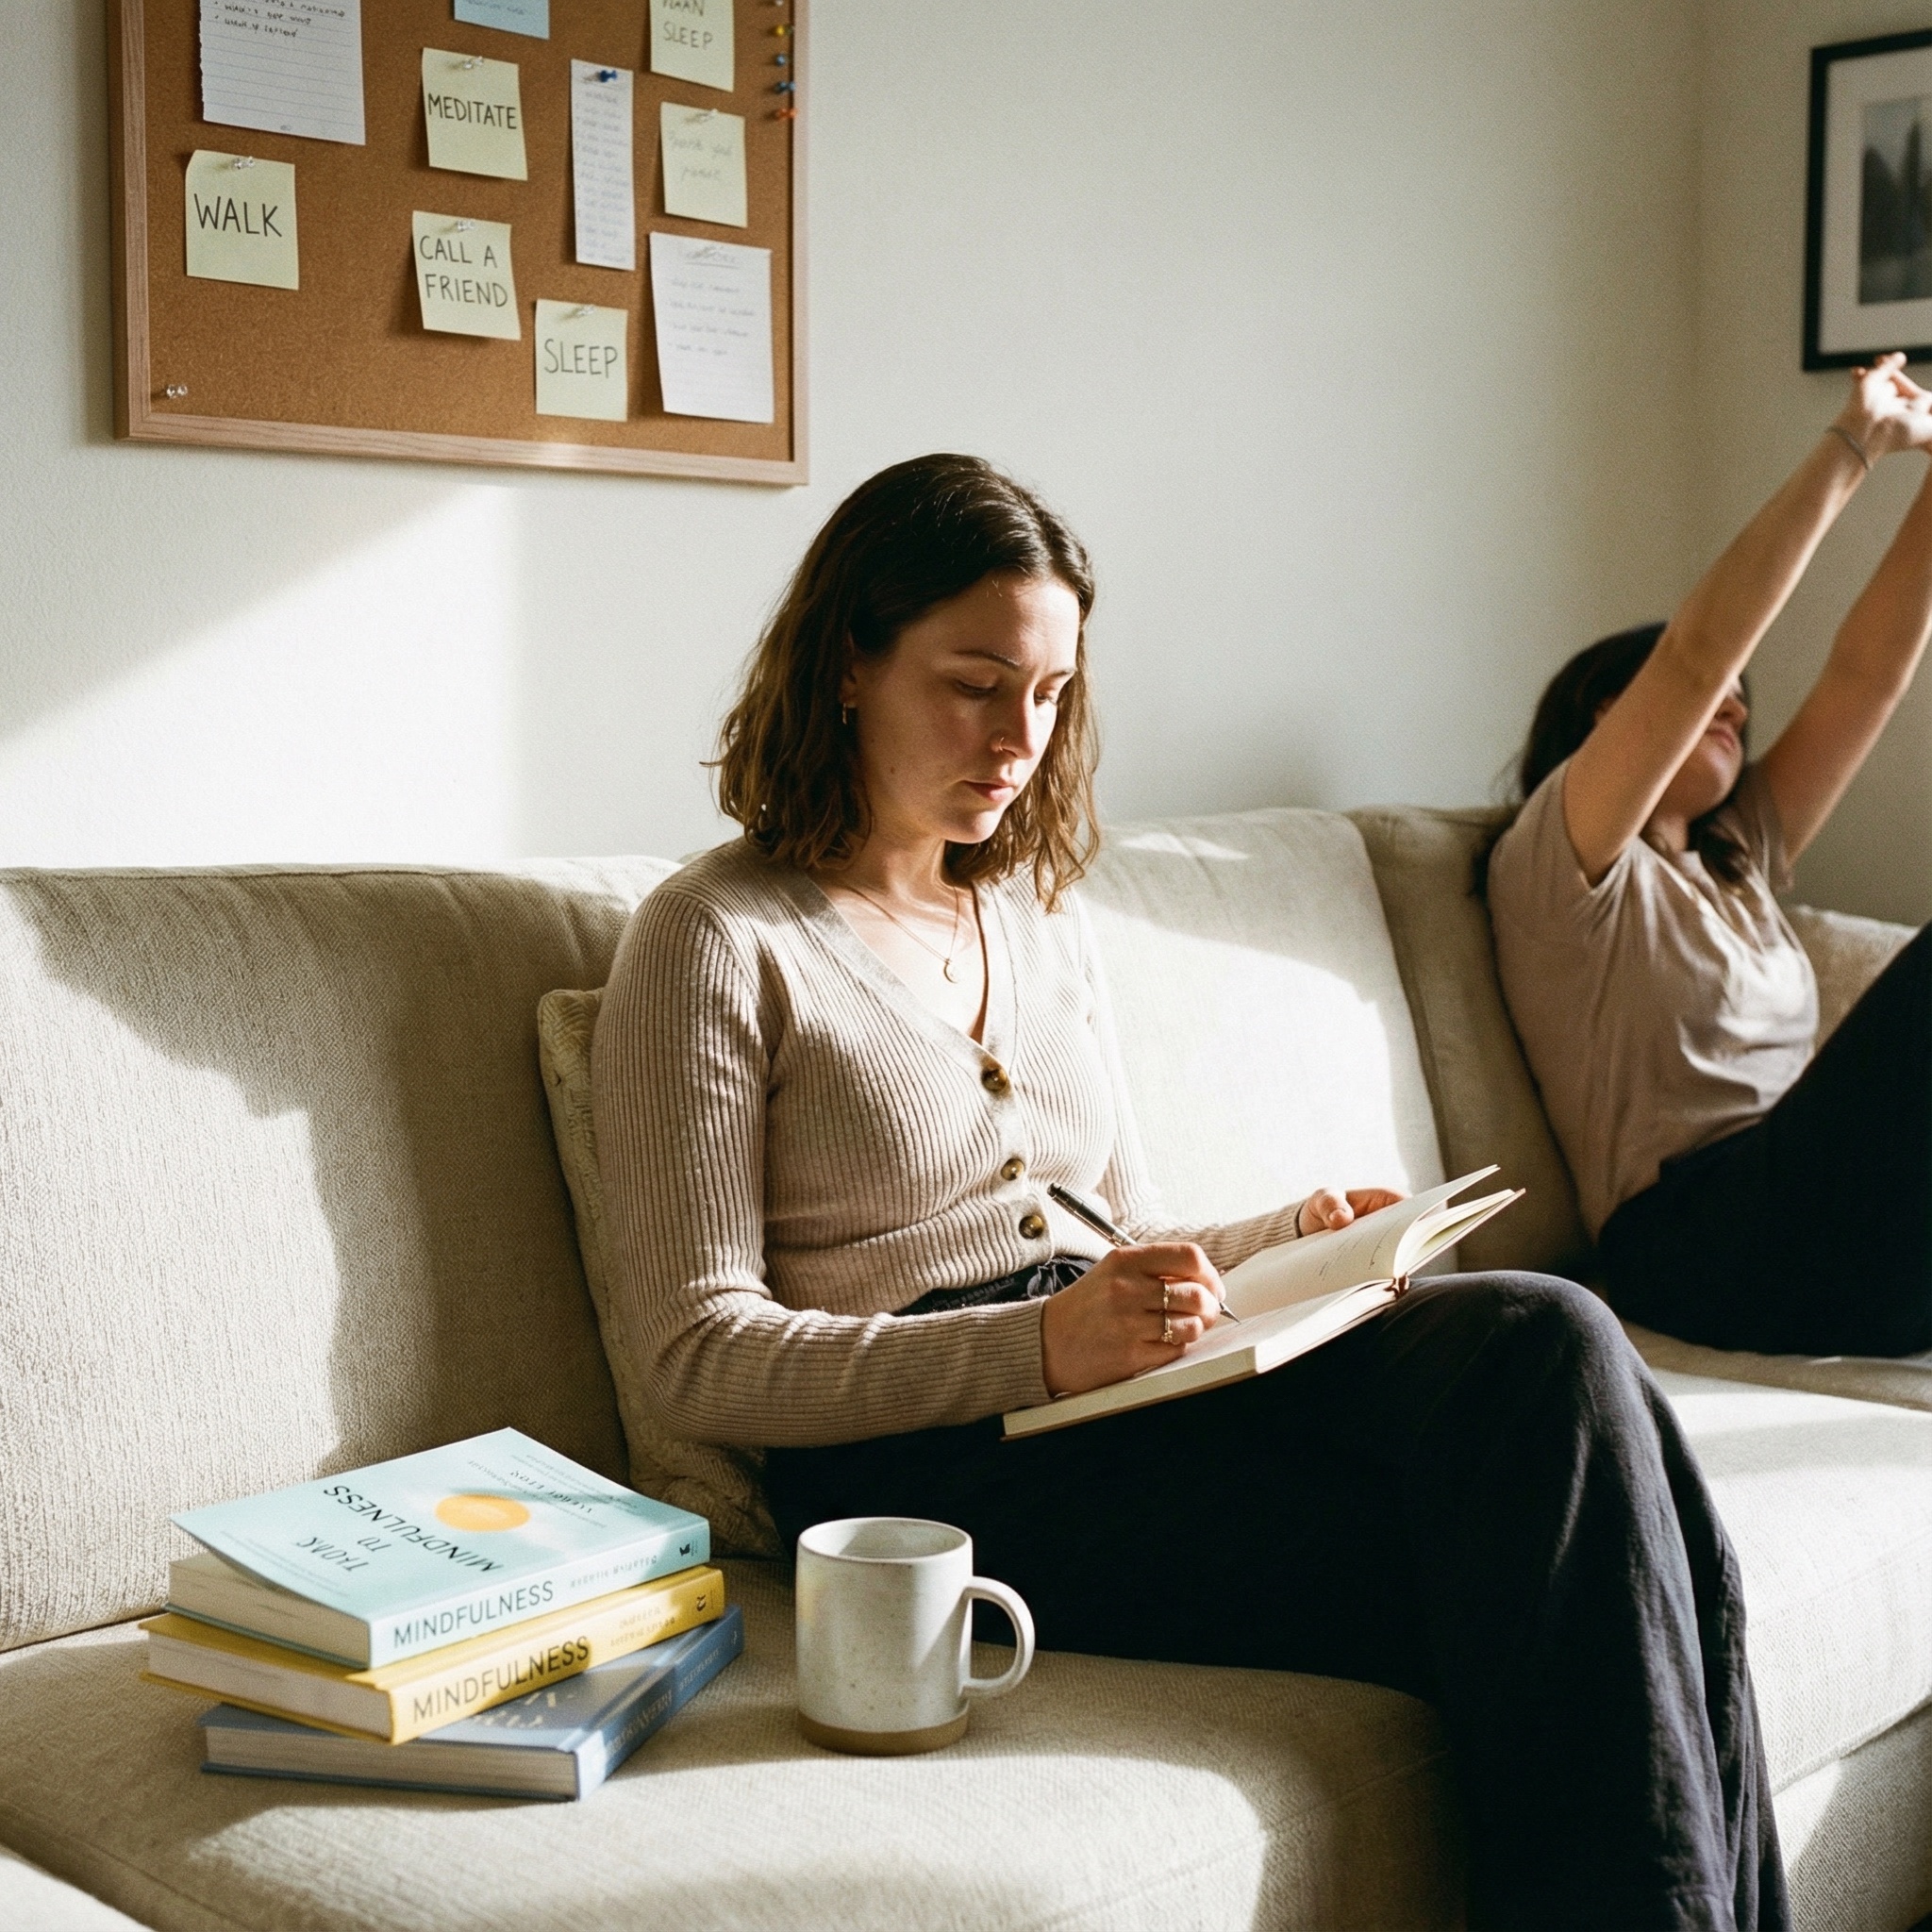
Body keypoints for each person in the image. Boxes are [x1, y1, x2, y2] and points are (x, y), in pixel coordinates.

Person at [592, 453, 1787, 1931]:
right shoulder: (714, 939)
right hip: (934, 1467)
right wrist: (1040, 1345)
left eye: (1050, 694)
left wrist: (1295, 1241)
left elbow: (1124, 1233)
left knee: (1590, 1446)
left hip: (1125, 1397)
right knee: (1560, 1430)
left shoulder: (1028, 913)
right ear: (849, 661)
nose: (1019, 739)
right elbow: (695, 1352)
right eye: (976, 685)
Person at [1486, 355, 1932, 1359]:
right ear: (1606, 714)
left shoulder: (1737, 857)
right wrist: (1853, 444)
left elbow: (1866, 677)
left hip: (1836, 1228)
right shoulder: (1561, 865)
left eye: (1743, 700)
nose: (1733, 701)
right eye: (1710, 695)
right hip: (1703, 1242)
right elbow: (1696, 656)